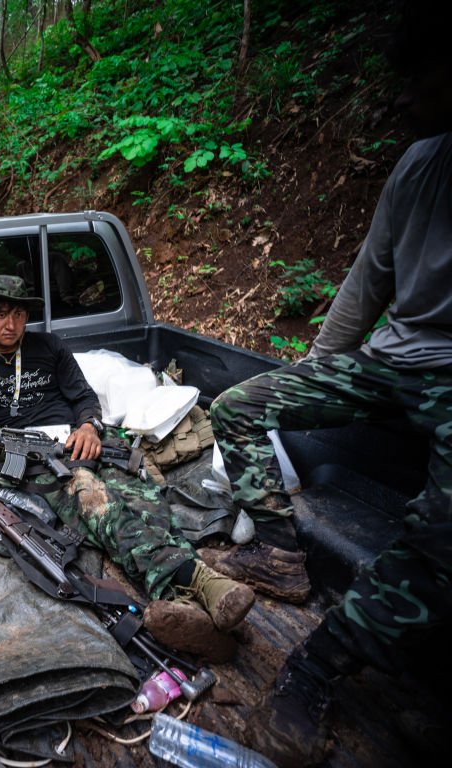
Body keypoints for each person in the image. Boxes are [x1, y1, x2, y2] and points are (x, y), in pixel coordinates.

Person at [208, 2, 452, 763]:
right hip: (393, 361)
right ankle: (280, 554)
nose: (398, 98)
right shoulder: (419, 165)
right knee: (241, 404)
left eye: (416, 77)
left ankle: (316, 665)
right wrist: (311, 379)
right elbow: (364, 285)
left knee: (440, 534)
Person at [0, 274, 255, 651]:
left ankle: (186, 601)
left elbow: (84, 397)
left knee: (143, 499)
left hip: (75, 438)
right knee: (94, 500)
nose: (11, 324)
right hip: (27, 454)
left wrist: (88, 427)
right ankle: (198, 581)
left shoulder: (49, 346)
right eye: (1, 314)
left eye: (19, 313)